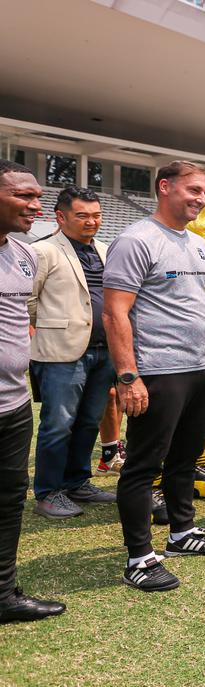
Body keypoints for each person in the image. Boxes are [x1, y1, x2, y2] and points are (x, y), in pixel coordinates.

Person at [103, 160, 205, 592]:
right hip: (158, 371)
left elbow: (197, 305)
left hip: (197, 369)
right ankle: (139, 558)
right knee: (143, 465)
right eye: (193, 189)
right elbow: (115, 311)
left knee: (185, 457)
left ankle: (182, 534)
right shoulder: (135, 240)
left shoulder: (196, 244)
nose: (201, 198)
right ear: (164, 187)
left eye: (204, 191)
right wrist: (128, 375)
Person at [0, 159, 65, 622]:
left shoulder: (24, 254)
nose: (35, 205)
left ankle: (3, 594)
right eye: (24, 195)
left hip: (13, 403)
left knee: (8, 499)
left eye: (38, 196)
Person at [27, 186, 116, 519]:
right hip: (61, 354)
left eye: (96, 215)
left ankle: (77, 482)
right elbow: (28, 299)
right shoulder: (43, 250)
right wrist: (55, 325)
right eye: (82, 215)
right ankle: (49, 493)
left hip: (103, 350)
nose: (90, 222)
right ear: (60, 217)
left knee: (89, 421)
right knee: (58, 424)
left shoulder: (108, 250)